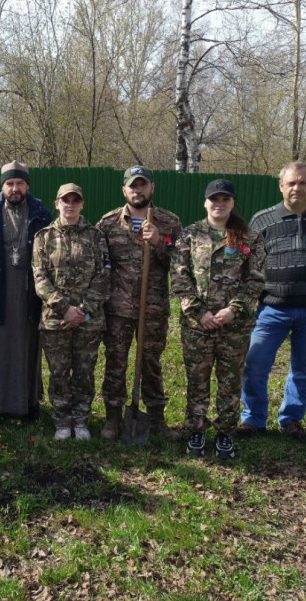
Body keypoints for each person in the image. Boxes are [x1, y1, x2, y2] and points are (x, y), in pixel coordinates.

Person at [237, 162, 306, 439]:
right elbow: (247, 262)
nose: (297, 188)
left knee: (304, 368)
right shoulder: (262, 221)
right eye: (291, 183)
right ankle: (253, 418)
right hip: (271, 308)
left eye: (303, 182)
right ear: (281, 186)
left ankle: (292, 418)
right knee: (255, 363)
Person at [171, 179, 266, 460]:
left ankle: (225, 432)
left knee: (230, 381)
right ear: (205, 203)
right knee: (197, 379)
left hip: (234, 326)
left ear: (233, 203)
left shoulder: (249, 237)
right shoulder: (189, 235)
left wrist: (233, 310)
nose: (219, 204)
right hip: (197, 326)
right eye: (214, 199)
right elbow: (179, 278)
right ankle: (196, 429)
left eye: (225, 199)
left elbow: (256, 280)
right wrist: (199, 312)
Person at [96, 166, 182, 441]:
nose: (138, 190)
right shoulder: (108, 224)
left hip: (153, 308)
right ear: (124, 190)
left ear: (151, 188)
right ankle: (112, 417)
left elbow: (181, 266)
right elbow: (99, 265)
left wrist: (158, 243)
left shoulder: (169, 223)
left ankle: (157, 419)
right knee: (115, 363)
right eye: (132, 186)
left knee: (151, 363)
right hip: (118, 309)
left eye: (142, 185)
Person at [0, 160, 52, 428]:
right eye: (10, 184)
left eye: (19, 183)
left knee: (28, 348)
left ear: (27, 185)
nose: (15, 188)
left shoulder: (41, 214)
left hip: (29, 295)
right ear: (2, 186)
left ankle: (29, 402)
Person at [32, 184, 109, 440]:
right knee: (59, 373)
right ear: (57, 204)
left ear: (82, 204)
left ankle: (81, 418)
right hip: (56, 320)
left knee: (85, 372)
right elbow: (40, 277)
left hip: (89, 320)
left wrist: (82, 311)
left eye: (76, 200)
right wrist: (65, 309)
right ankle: (62, 420)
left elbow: (104, 275)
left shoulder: (96, 236)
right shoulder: (43, 237)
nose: (70, 205)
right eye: (66, 200)